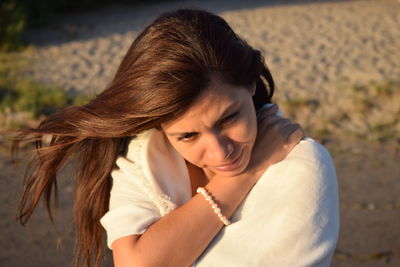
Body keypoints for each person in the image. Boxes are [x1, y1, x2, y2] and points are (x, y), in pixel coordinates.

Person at [14, 8, 339, 267]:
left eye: (229, 117)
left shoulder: (302, 167)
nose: (219, 151)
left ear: (250, 84)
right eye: (187, 135)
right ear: (160, 128)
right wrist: (239, 180)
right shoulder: (146, 157)